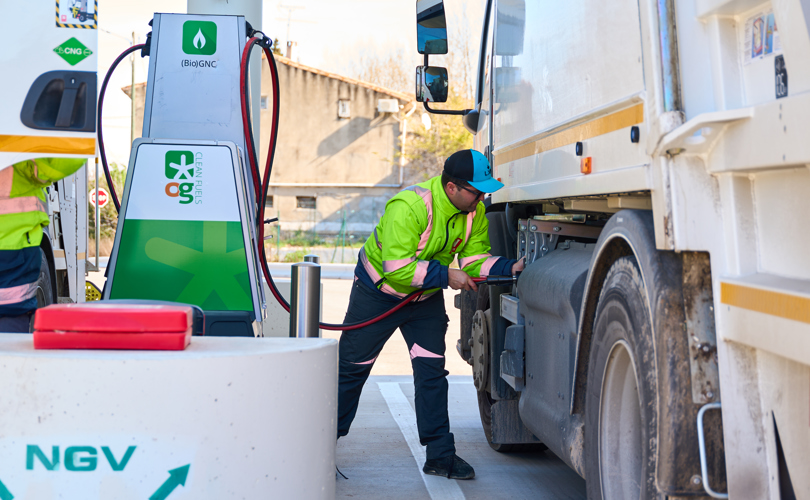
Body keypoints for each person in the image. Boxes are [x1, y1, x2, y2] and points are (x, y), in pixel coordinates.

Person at [337, 149, 524, 480]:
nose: (482, 197)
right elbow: (395, 269)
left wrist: (512, 266)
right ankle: (317, 447)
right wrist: (446, 276)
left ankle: (441, 455)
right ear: (451, 188)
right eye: (476, 190)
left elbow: (474, 261)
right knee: (351, 372)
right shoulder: (409, 206)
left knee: (432, 372)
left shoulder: (473, 212)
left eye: (484, 190)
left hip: (422, 299)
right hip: (378, 294)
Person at [0, 158, 87, 332]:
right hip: (13, 249)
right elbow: (62, 160)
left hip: (14, 251)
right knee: (10, 332)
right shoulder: (19, 155)